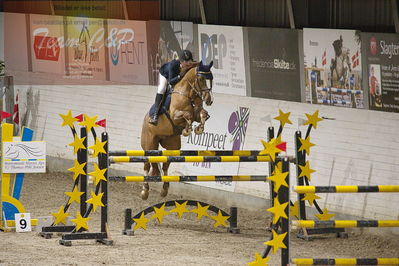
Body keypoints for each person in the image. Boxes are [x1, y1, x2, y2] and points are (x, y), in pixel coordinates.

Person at [149, 49, 194, 125]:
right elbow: (171, 81)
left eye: (190, 61)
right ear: (181, 61)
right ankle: (155, 114)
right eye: (186, 62)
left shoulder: (190, 65)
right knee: (162, 89)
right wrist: (180, 76)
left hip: (176, 77)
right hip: (166, 75)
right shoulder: (173, 65)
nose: (188, 64)